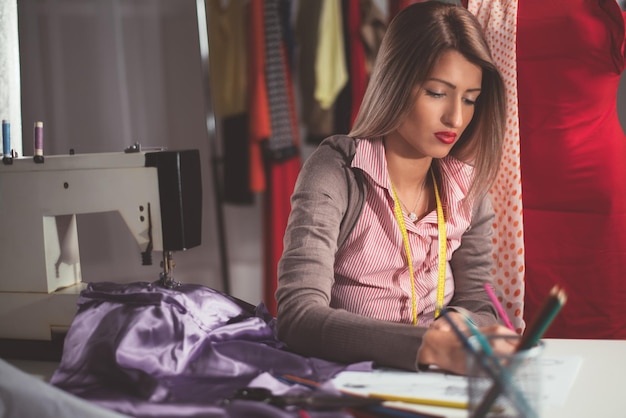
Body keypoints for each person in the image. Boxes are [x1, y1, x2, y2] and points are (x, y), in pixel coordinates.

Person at [275, 1, 516, 375]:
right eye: (437, 92)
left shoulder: (465, 186)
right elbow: (298, 316)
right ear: (396, 82)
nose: (456, 117)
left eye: (470, 100)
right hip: (346, 382)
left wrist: (459, 326)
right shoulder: (336, 171)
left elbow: (481, 303)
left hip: (435, 382)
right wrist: (428, 345)